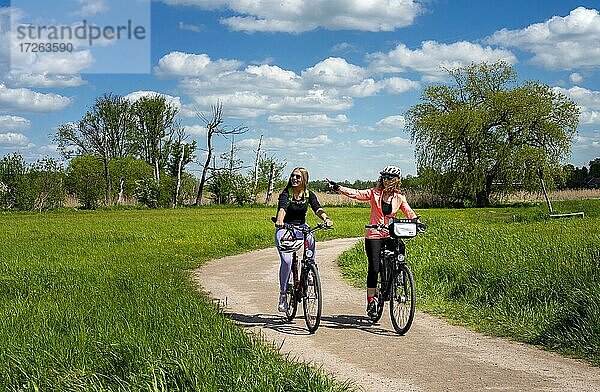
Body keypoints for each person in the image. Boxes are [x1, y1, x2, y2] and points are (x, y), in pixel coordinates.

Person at [327, 165, 418, 318]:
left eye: (389, 177)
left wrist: (415, 221)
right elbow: (356, 194)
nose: (386, 180)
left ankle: (398, 274)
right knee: (374, 268)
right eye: (384, 177)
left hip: (390, 233)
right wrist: (338, 187)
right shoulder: (374, 193)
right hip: (374, 234)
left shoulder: (399, 198)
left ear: (396, 180)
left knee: (400, 246)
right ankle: (371, 300)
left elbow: (408, 211)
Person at [274, 167, 333, 312]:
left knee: (311, 240)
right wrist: (280, 220)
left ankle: (310, 271)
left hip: (301, 227)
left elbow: (317, 208)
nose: (294, 179)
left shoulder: (308, 194)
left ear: (304, 180)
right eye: (293, 176)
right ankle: (283, 294)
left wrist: (326, 218)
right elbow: (282, 209)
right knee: (287, 262)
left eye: (298, 177)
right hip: (285, 228)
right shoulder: (286, 194)